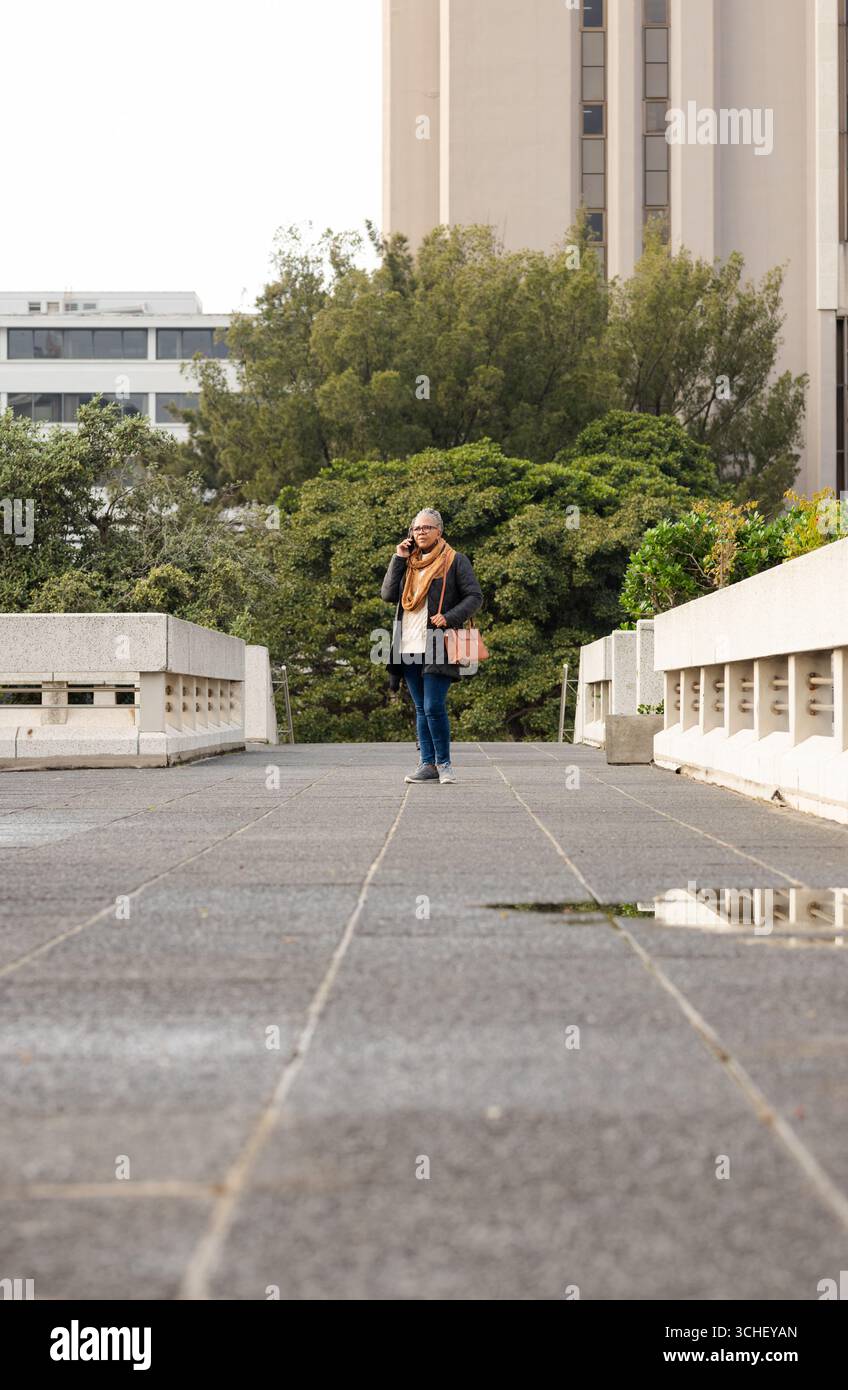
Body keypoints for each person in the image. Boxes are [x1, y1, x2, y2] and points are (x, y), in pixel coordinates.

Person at [381, 509, 483, 785]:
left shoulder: (455, 561)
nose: (421, 532)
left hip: (438, 641)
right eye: (416, 529)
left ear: (439, 531)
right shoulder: (408, 563)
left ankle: (445, 764)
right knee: (420, 707)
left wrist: (449, 617)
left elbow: (475, 596)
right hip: (407, 643)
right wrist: (398, 558)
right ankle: (427, 764)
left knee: (433, 705)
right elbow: (388, 594)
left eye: (427, 527)